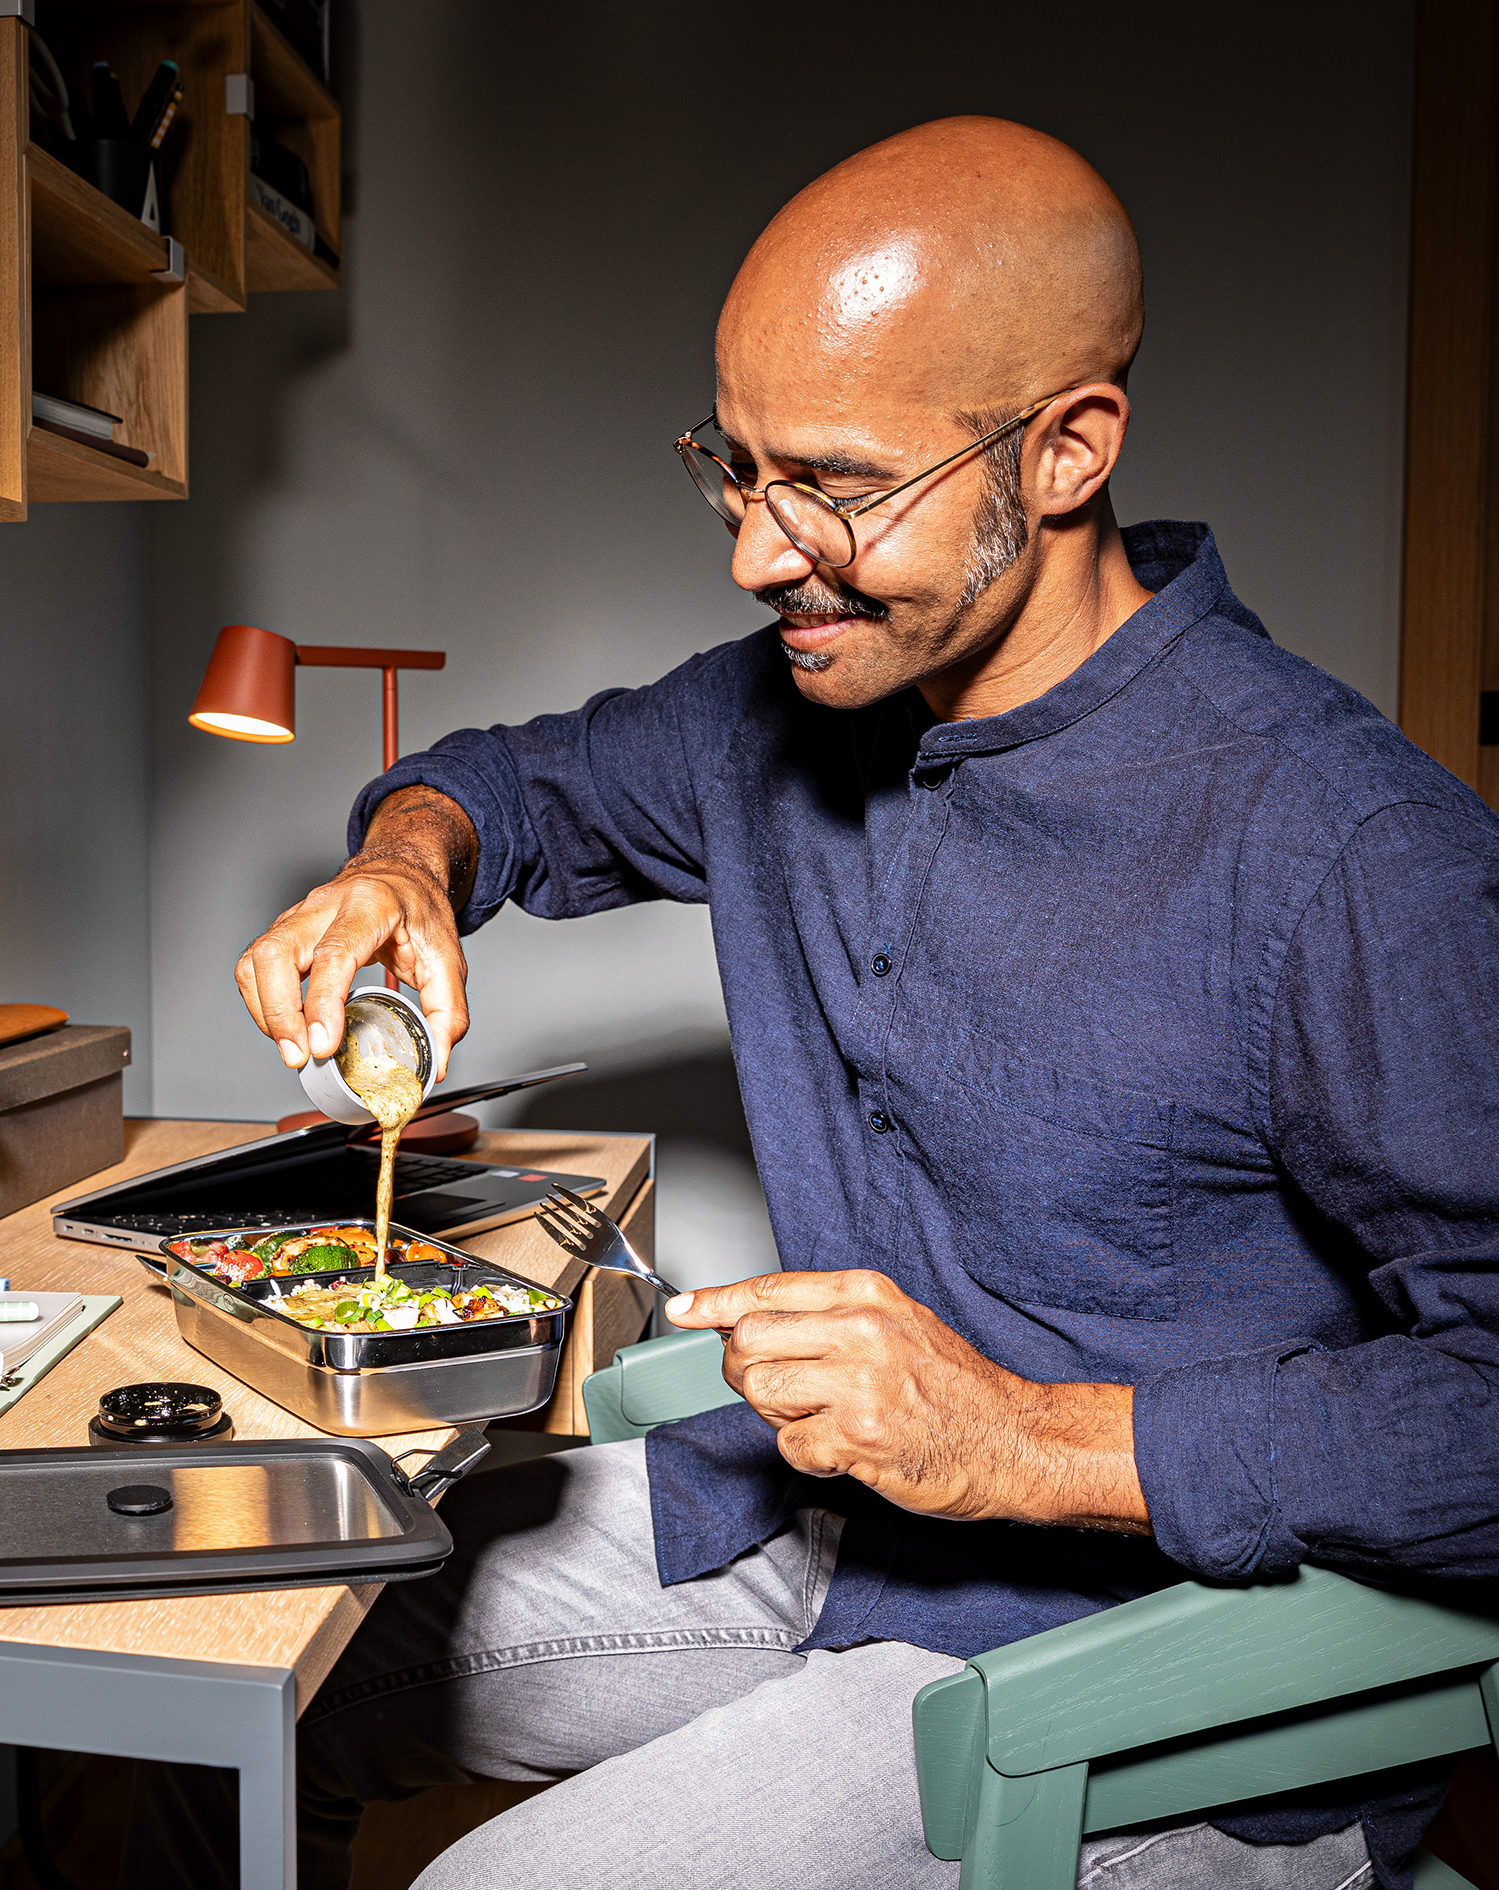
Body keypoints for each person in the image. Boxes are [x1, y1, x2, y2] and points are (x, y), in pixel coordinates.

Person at [127, 117, 1499, 1890]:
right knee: (230, 1662)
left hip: (1156, 1682)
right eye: (735, 465)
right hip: (824, 1537)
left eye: (837, 484)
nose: (758, 553)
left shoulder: (1346, 850)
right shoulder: (776, 710)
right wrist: (407, 856)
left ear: (1069, 450)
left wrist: (1028, 1440)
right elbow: (509, 785)